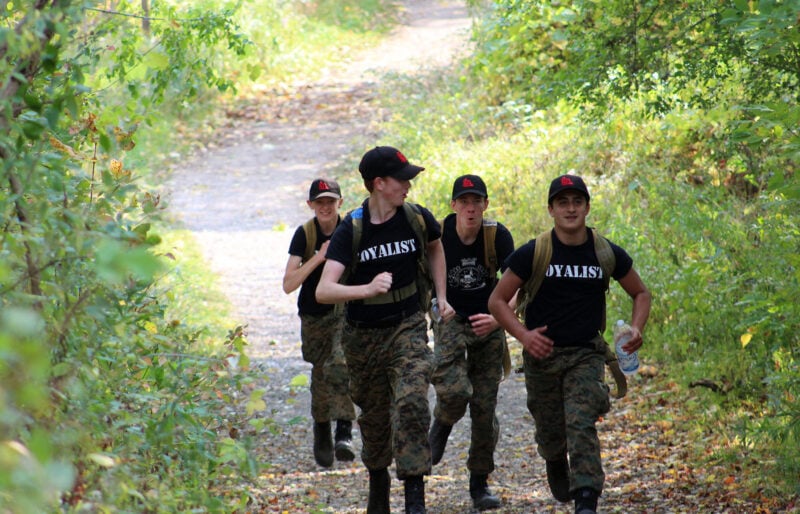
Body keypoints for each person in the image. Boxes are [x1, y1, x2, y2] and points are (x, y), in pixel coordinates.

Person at [488, 174, 651, 514]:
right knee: (551, 431)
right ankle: (553, 459)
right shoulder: (535, 251)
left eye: (577, 201)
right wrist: (524, 336)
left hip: (585, 354)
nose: (571, 208)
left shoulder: (605, 252)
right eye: (563, 202)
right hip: (542, 357)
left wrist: (636, 328)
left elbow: (640, 292)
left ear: (587, 207)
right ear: (551, 210)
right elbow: (498, 301)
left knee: (581, 423)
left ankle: (587, 499)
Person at [316, 146, 455, 514]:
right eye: (402, 179)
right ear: (379, 184)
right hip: (363, 337)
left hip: (407, 327)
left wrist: (441, 296)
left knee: (411, 402)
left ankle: (415, 497)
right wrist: (366, 288)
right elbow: (324, 289)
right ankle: (378, 479)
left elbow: (436, 248)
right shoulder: (352, 228)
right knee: (375, 420)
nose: (408, 185)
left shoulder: (415, 218)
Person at [428, 174, 515, 511]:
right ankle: (443, 422)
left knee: (484, 407)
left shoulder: (497, 235)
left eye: (476, 201)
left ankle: (479, 484)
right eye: (464, 201)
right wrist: (437, 305)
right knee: (453, 390)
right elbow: (422, 279)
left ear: (485, 205)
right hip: (450, 318)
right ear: (453, 206)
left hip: (487, 322)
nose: (470, 208)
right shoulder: (438, 235)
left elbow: (516, 281)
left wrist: (499, 317)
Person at [282, 178, 357, 468]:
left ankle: (344, 432)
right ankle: (322, 429)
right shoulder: (305, 234)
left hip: (345, 310)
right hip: (313, 314)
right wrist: (319, 258)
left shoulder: (350, 229)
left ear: (340, 202)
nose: (326, 207)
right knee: (321, 372)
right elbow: (289, 284)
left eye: (331, 201)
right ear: (311, 205)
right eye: (320, 202)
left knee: (340, 364)